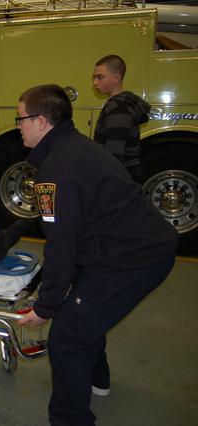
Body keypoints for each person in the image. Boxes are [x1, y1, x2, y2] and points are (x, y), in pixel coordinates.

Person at [15, 84, 177, 425]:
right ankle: (97, 380)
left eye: (21, 119)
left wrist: (45, 307)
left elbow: (61, 244)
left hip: (132, 259)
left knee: (68, 336)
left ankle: (69, 419)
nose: (18, 126)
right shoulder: (77, 147)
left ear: (41, 121)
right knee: (86, 309)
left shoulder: (55, 173)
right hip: (132, 246)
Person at [92, 54, 151, 182]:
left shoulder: (118, 108)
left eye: (100, 77)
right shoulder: (122, 104)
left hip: (119, 176)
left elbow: (115, 154)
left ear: (116, 78)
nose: (95, 82)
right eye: (94, 78)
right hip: (126, 173)